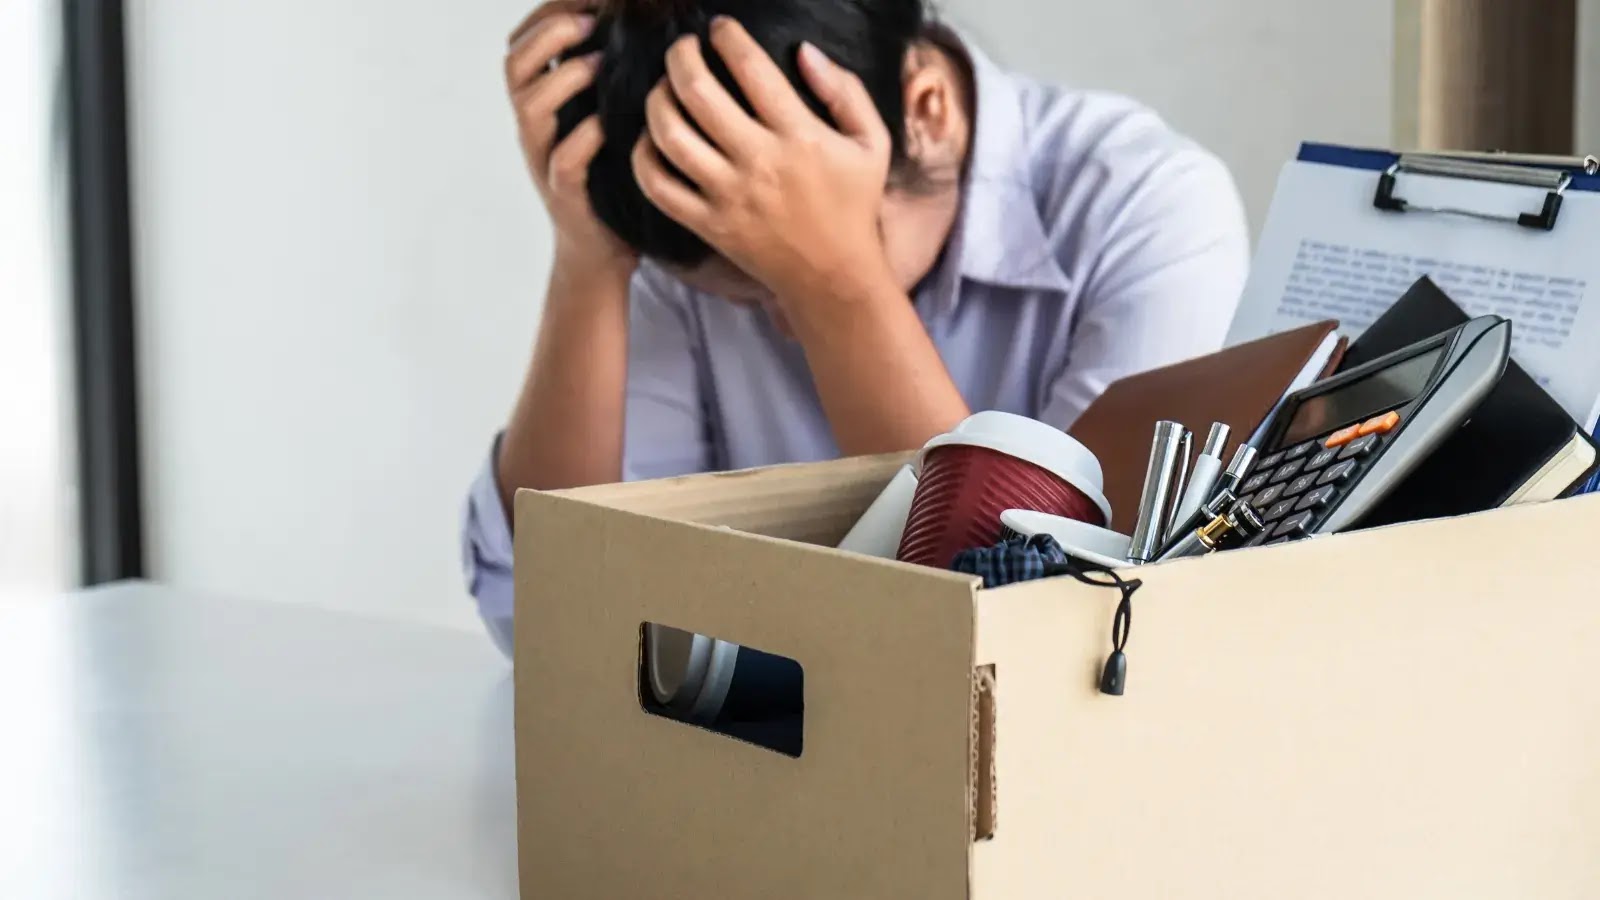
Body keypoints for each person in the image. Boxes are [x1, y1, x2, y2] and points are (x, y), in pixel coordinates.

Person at [463, 0, 1250, 654]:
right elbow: (548, 622)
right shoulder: (704, 203)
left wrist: (833, 283)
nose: (784, 328)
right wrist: (589, 260)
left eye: (790, 271)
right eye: (751, 298)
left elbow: (1053, 631)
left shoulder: (1152, 212)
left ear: (927, 113)